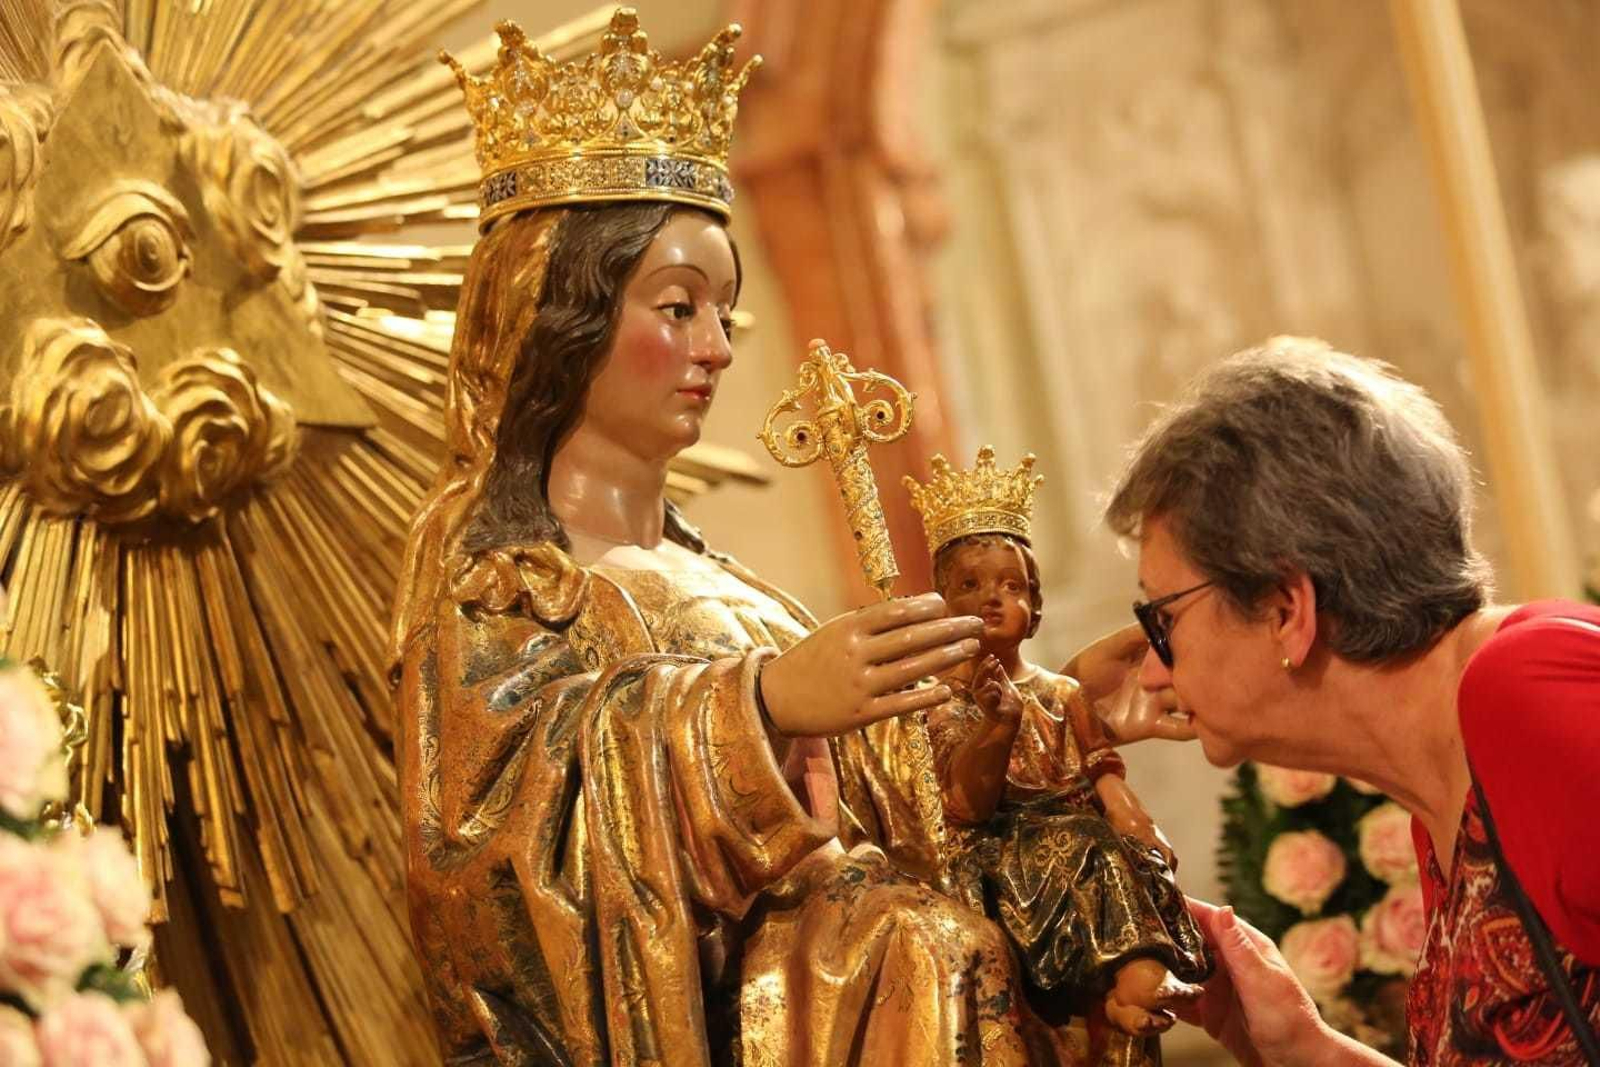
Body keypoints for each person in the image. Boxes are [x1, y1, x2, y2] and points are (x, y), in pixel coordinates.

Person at [389, 12, 1145, 1066]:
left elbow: (905, 810)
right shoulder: (505, 575)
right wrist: (756, 708)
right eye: (678, 305)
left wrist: (1041, 709)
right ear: (563, 312)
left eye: (725, 314)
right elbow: (489, 860)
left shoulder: (729, 586)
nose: (714, 349)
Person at [1100, 335, 1600, 1065]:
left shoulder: (1526, 692)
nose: (1149, 670)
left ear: (1285, 609)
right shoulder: (1449, 792)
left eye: (1162, 617)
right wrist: (1309, 1051)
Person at [906, 447, 1212, 1067]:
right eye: (969, 584)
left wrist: (1131, 815)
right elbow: (965, 805)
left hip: (1078, 846)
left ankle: (1141, 979)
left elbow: (1101, 768)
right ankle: (1134, 977)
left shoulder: (1063, 692)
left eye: (1011, 585)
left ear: (1036, 609)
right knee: (1084, 843)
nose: (991, 598)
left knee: (1132, 850)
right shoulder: (935, 702)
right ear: (941, 605)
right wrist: (997, 726)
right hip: (1001, 854)